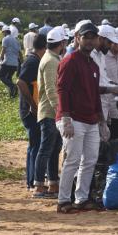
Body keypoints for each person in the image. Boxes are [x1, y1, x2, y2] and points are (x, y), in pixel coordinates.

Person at [56, 22, 103, 213]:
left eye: (93, 37)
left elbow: (95, 93)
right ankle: (63, 201)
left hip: (90, 119)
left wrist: (101, 120)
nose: (90, 40)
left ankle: (81, 198)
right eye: (86, 37)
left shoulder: (93, 63)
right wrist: (66, 118)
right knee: (73, 160)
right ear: (77, 38)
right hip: (73, 118)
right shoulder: (70, 60)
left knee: (90, 159)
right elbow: (62, 89)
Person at [33, 28, 65, 198]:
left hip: (51, 111)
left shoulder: (52, 58)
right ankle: (39, 185)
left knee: (53, 149)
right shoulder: (51, 61)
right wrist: (60, 110)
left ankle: (53, 183)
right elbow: (52, 89)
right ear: (61, 43)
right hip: (50, 112)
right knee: (46, 149)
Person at [17, 34, 47, 191]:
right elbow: (20, 82)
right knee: (35, 146)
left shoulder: (34, 60)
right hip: (30, 111)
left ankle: (31, 179)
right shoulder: (32, 62)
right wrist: (33, 105)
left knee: (34, 145)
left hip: (31, 109)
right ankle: (32, 180)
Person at [0, 25, 20, 98]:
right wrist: (21, 61)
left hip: (7, 62)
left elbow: (3, 50)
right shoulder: (16, 40)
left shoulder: (5, 39)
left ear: (5, 32)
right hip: (15, 64)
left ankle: (13, 86)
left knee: (1, 76)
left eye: (3, 32)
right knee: (9, 78)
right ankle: (12, 95)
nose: (3, 34)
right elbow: (19, 52)